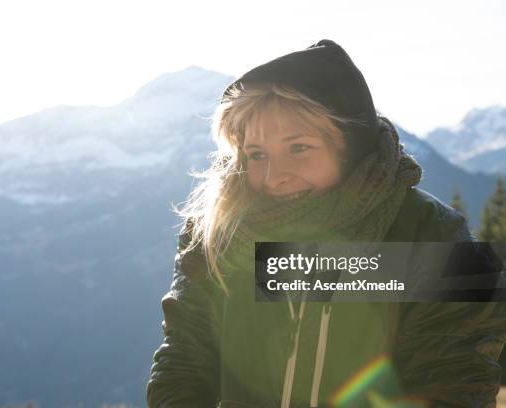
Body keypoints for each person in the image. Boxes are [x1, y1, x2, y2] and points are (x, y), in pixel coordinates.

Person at [146, 39, 506, 407]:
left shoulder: (432, 235)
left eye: (298, 148)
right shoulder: (220, 230)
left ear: (352, 146)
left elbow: (455, 380)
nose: (274, 177)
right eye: (257, 154)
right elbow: (184, 361)